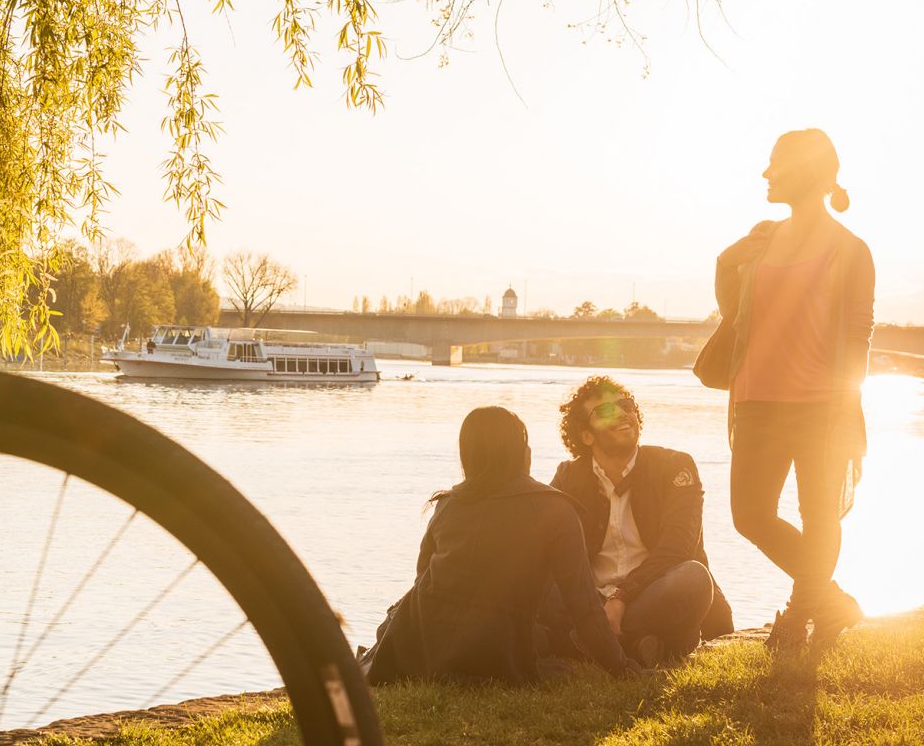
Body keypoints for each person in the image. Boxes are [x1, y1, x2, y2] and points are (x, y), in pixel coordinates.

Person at [711, 128, 873, 651]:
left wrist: (847, 412)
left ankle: (801, 615)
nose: (764, 174)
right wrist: (726, 261)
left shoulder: (851, 250)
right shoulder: (762, 236)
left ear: (802, 172)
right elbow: (732, 312)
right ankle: (834, 602)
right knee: (750, 515)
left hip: (820, 407)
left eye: (774, 164)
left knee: (819, 515)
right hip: (756, 400)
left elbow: (857, 338)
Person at [360, 406, 631, 684]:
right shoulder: (557, 509)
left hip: (420, 646)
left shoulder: (448, 504)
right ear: (521, 452)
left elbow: (423, 580)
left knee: (400, 612)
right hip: (495, 653)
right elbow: (583, 605)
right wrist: (622, 668)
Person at [546, 377, 734, 666]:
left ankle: (590, 642)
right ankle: (638, 645)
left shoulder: (675, 466)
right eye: (607, 411)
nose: (623, 413)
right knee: (534, 580)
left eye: (626, 405)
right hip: (592, 601)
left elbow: (677, 549)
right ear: (586, 436)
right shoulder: (569, 477)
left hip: (653, 594)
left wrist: (622, 597)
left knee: (693, 578)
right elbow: (550, 549)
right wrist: (599, 605)